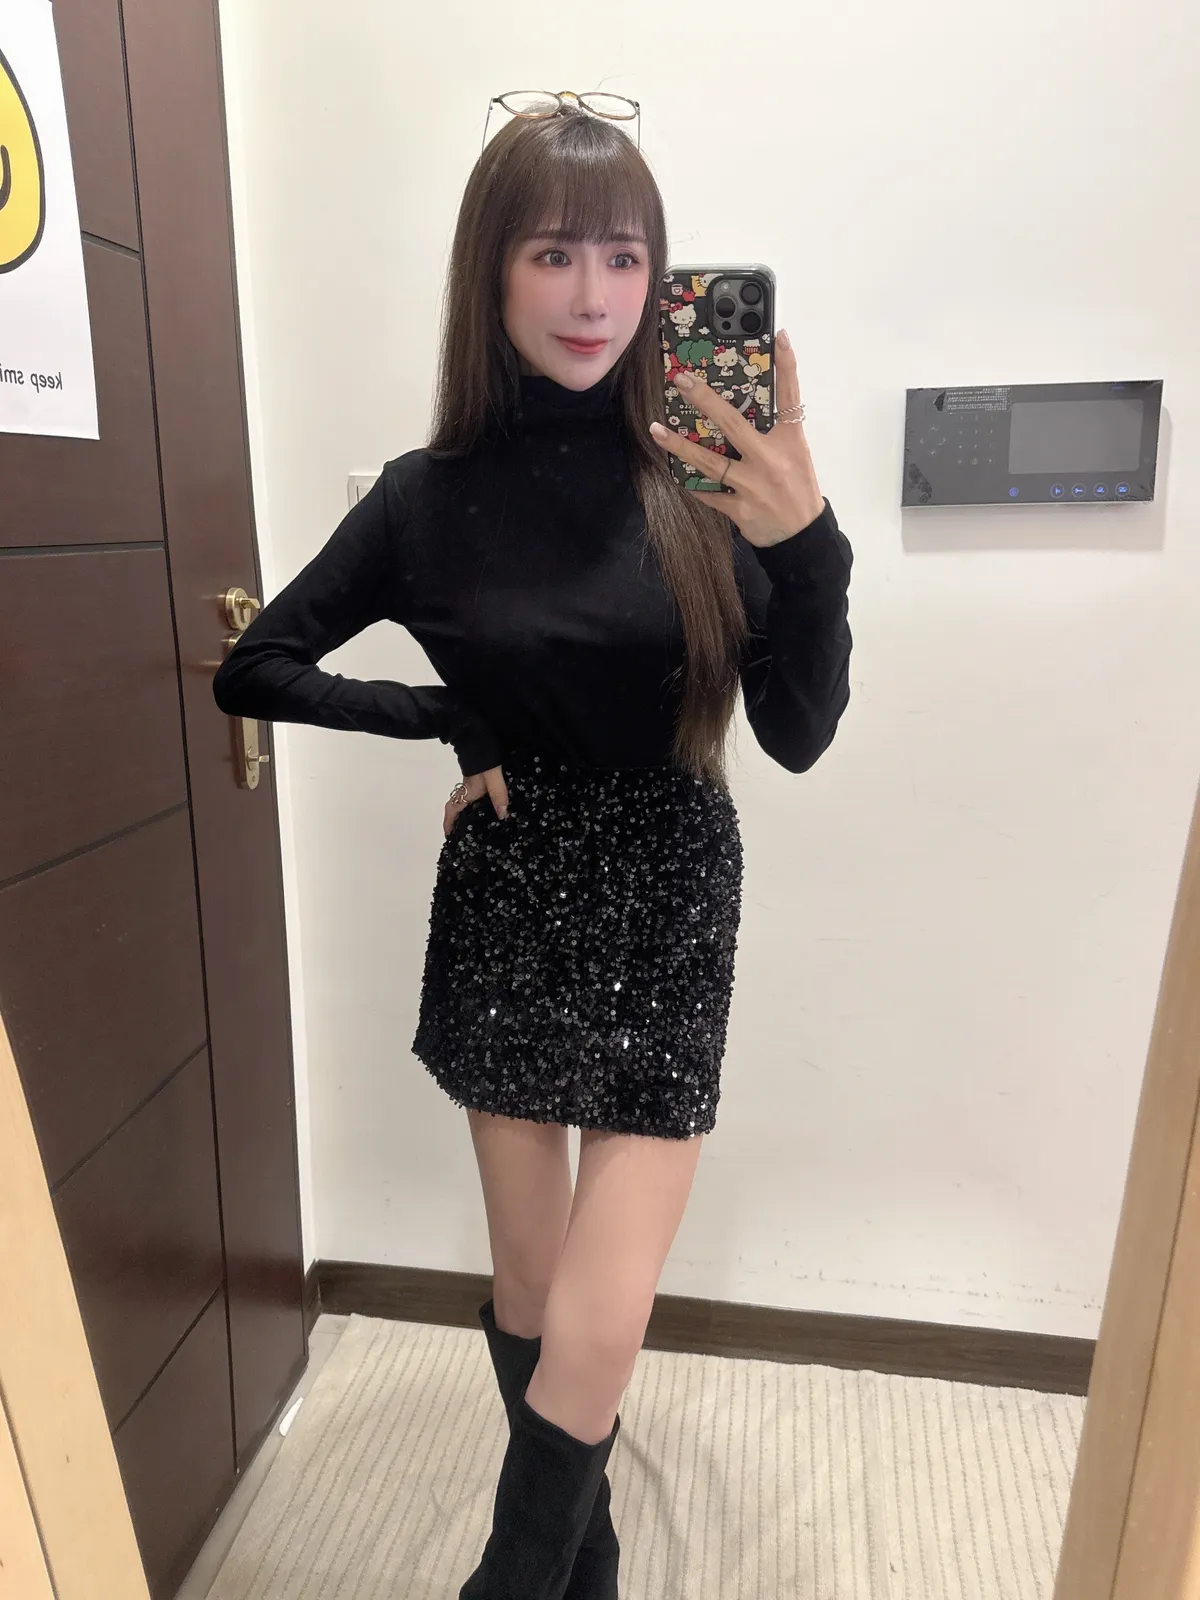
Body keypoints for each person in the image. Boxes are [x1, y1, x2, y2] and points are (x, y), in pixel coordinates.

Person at [212, 99, 853, 1600]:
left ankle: (509, 1577)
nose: (593, 296)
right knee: (528, 1277)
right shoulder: (423, 498)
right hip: (510, 887)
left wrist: (806, 540)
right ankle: (591, 1561)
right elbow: (259, 668)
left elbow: (800, 732)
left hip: (670, 889)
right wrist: (457, 718)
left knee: (603, 1314)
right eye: (554, 253)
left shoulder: (710, 479)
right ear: (490, 271)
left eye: (625, 258)